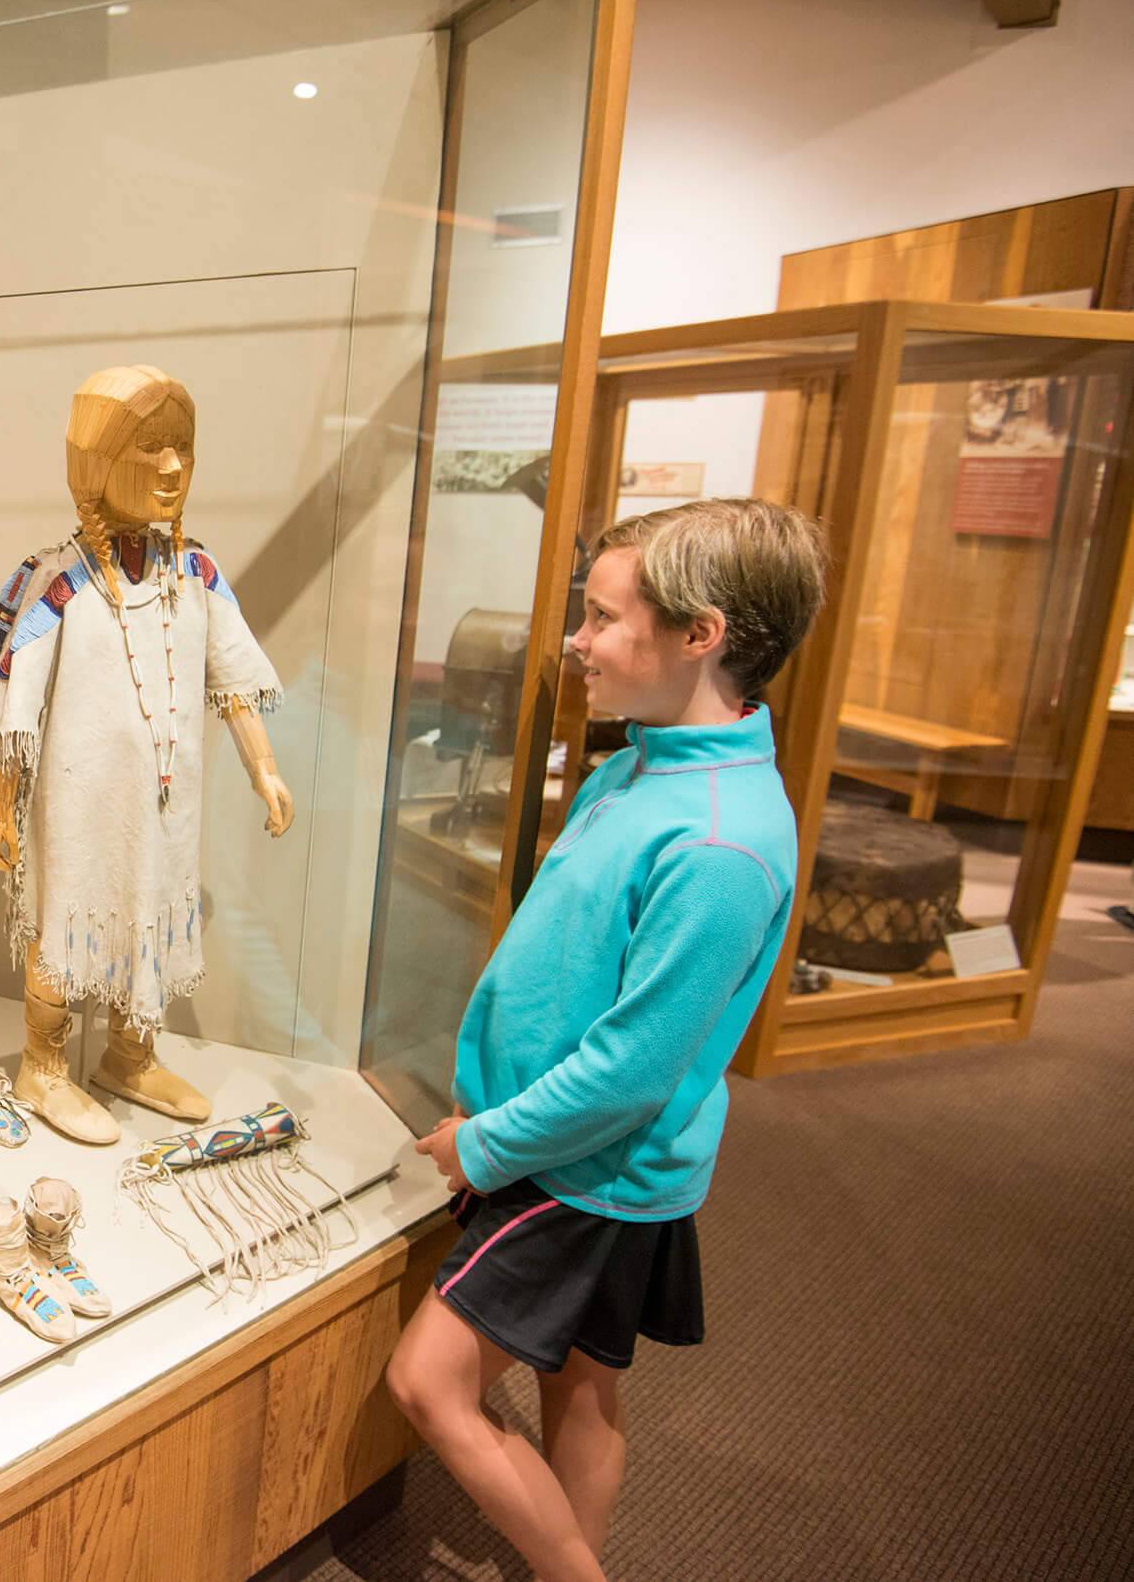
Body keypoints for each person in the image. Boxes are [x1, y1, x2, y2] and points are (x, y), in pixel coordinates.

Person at [383, 498, 829, 1581]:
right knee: (578, 1378)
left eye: (602, 617)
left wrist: (485, 1145)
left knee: (428, 1386)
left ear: (699, 635)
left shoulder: (722, 841)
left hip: (582, 1168)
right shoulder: (635, 765)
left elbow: (633, 1069)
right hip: (564, 1145)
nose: (574, 642)